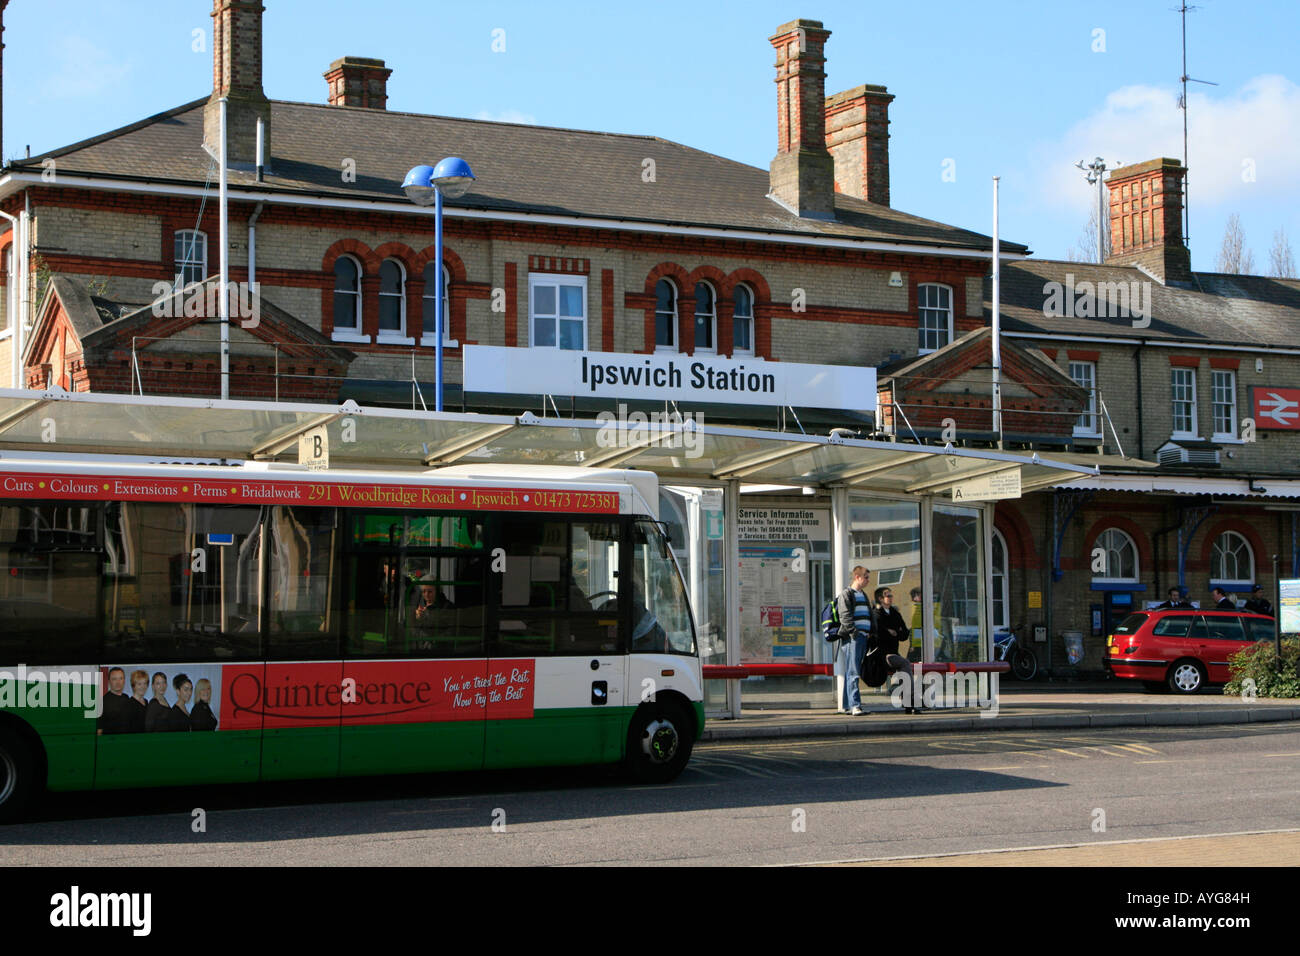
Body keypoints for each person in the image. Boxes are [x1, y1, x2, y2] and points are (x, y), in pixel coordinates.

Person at [867, 587, 919, 713]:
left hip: (892, 653)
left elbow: (904, 634)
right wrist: (891, 632)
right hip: (880, 655)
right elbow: (877, 634)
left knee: (903, 666)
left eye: (891, 595)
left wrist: (895, 632)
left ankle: (908, 702)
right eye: (888, 596)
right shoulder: (875, 615)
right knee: (905, 663)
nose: (891, 598)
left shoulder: (895, 613)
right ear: (880, 598)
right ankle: (909, 702)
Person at [834, 566, 872, 716]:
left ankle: (847, 705)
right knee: (853, 672)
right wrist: (854, 633)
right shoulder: (847, 594)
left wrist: (869, 632)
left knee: (852, 670)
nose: (868, 580)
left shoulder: (863, 594)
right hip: (853, 638)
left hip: (863, 636)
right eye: (866, 577)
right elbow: (845, 616)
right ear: (857, 577)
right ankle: (855, 705)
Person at [97, 667, 133, 735]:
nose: (118, 682)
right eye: (114, 679)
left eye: (120, 678)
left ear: (124, 680)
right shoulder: (102, 702)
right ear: (109, 681)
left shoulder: (126, 698)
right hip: (111, 742)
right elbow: (99, 731)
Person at [126, 669, 149, 734]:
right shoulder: (129, 704)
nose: (143, 687)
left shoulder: (146, 702)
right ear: (133, 686)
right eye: (139, 684)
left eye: (145, 683)